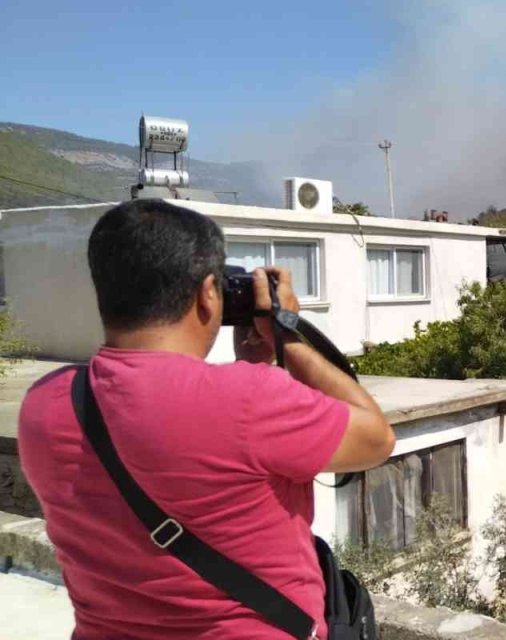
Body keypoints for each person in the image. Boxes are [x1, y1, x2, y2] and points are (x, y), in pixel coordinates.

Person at [18, 199, 395, 639]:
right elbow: (376, 440)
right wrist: (287, 336)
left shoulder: (44, 404)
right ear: (208, 293)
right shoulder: (251, 399)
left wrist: (252, 366)